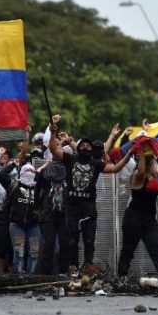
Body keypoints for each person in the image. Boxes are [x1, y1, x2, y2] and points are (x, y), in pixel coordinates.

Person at [49, 114, 131, 273]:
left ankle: (87, 266)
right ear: (78, 148)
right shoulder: (70, 159)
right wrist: (53, 133)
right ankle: (73, 267)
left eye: (88, 146)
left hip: (89, 208)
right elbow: (53, 148)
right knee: (71, 239)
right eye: (83, 145)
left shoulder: (96, 163)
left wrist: (128, 156)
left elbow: (114, 168)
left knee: (89, 239)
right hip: (72, 208)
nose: (86, 147)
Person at [117, 149, 158, 281]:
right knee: (128, 250)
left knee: (157, 248)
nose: (154, 162)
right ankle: (121, 277)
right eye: (151, 160)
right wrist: (142, 150)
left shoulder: (155, 175)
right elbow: (141, 171)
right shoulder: (137, 174)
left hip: (149, 220)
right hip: (134, 218)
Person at [0, 161, 41, 274]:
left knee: (34, 253)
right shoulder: (14, 185)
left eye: (32, 171)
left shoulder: (38, 188)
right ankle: (18, 277)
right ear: (21, 172)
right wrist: (13, 164)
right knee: (19, 253)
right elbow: (1, 175)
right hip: (17, 225)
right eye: (27, 170)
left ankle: (31, 277)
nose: (29, 173)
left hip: (33, 225)